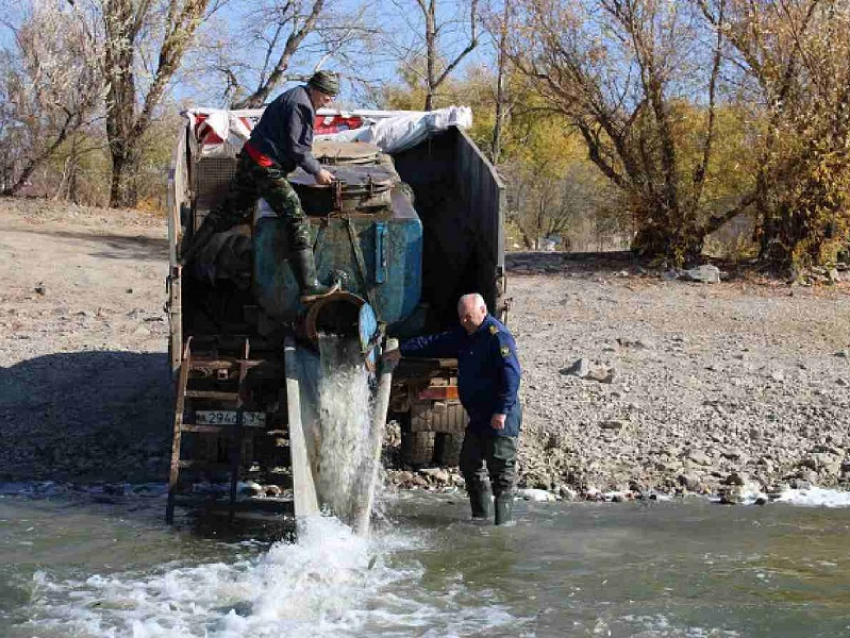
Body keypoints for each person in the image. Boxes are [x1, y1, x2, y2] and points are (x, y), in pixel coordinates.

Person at [182, 70, 341, 303]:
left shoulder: (294, 96)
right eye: (327, 95)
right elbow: (298, 149)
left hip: (251, 159)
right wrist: (317, 171)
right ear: (315, 88)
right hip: (266, 167)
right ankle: (309, 286)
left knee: (228, 212)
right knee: (296, 217)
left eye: (332, 96)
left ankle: (186, 256)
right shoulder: (301, 105)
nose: (329, 100)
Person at [387, 293, 522, 525]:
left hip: (500, 416)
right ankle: (481, 518)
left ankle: (503, 528)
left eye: (468, 316)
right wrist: (402, 350)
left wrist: (502, 411)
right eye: (461, 317)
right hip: (478, 417)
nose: (464, 321)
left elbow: (512, 376)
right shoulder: (465, 334)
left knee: (501, 474)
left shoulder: (497, 336)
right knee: (469, 464)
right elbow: (434, 342)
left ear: (483, 310)